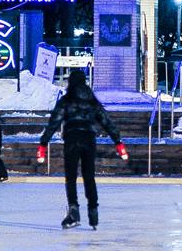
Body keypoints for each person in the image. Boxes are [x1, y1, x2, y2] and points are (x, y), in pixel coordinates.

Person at [37, 71, 128, 229]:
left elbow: (55, 121)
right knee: (89, 176)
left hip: (72, 140)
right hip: (88, 140)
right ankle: (93, 212)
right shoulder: (92, 101)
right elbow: (106, 120)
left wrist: (43, 143)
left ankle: (73, 211)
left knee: (71, 177)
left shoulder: (66, 100)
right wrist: (117, 141)